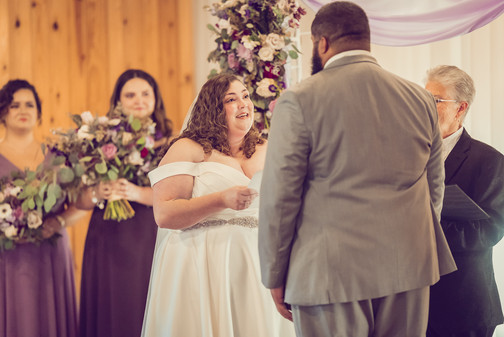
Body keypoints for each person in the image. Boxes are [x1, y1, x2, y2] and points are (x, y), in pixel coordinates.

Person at [258, 2, 457, 337]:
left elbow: (280, 197)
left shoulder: (300, 100)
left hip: (330, 272)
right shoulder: (419, 99)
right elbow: (434, 186)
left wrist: (274, 274)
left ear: (321, 43)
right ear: (366, 40)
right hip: (407, 266)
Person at [141, 73, 295, 337]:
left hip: (255, 264)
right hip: (203, 262)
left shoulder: (268, 148)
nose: (244, 103)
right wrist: (220, 199)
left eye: (246, 96)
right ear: (213, 109)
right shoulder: (189, 148)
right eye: (231, 99)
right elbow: (164, 213)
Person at [77, 69, 173, 337]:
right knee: (109, 307)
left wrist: (136, 193)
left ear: (156, 99)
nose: (138, 100)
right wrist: (99, 191)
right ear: (118, 101)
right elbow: (80, 200)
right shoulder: (99, 140)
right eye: (130, 95)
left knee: (141, 304)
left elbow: (181, 196)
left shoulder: (172, 143)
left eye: (145, 94)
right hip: (107, 236)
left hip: (149, 234)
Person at [0, 79, 86, 337]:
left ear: (38, 113)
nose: (23, 110)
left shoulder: (59, 155)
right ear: (3, 111)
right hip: (9, 255)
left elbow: (82, 203)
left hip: (51, 253)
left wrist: (59, 222)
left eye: (30, 104)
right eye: (15, 105)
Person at [424, 65, 504, 337]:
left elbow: (491, 230)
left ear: (460, 108)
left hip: (463, 307)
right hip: (413, 304)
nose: (424, 107)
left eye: (435, 101)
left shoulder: (489, 161)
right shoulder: (409, 155)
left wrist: (426, 233)